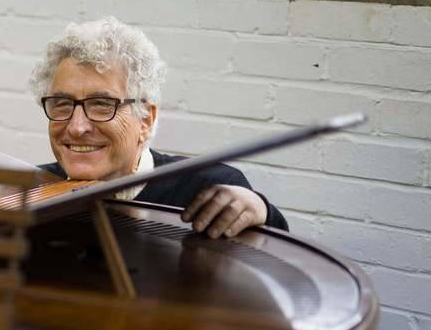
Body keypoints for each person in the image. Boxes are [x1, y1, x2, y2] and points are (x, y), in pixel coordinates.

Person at [29, 16, 288, 238]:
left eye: (101, 104)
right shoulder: (30, 188)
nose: (76, 127)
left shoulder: (208, 191)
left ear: (145, 119)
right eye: (62, 104)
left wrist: (262, 211)